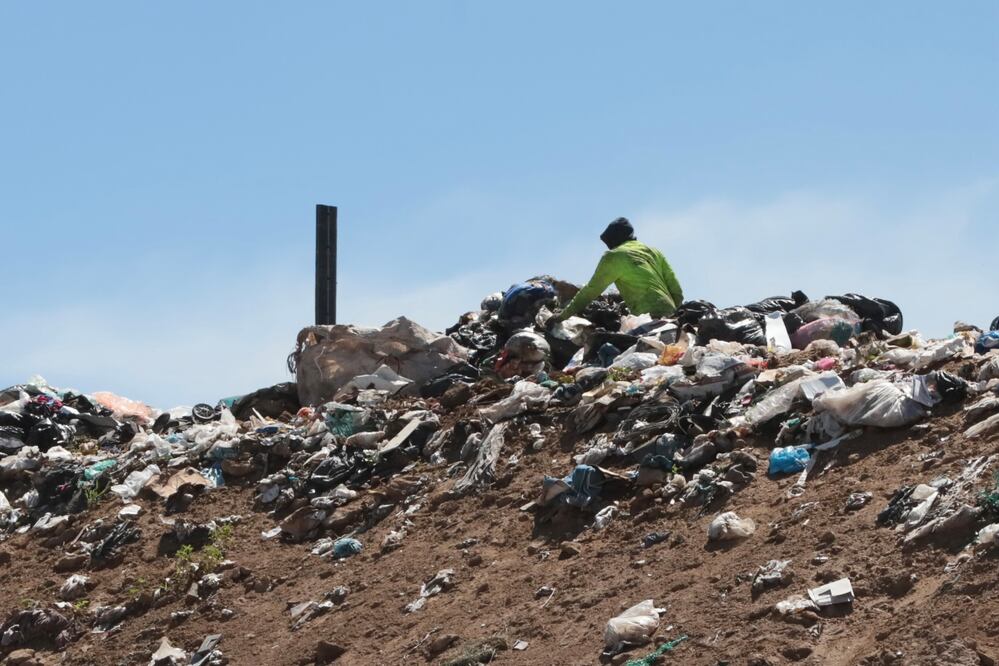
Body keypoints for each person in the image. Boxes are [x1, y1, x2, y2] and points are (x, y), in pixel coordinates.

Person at [557, 218, 683, 321]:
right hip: (670, 313)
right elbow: (675, 287)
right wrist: (674, 313)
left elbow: (591, 290)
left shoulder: (614, 256)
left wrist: (563, 316)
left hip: (647, 316)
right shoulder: (654, 252)